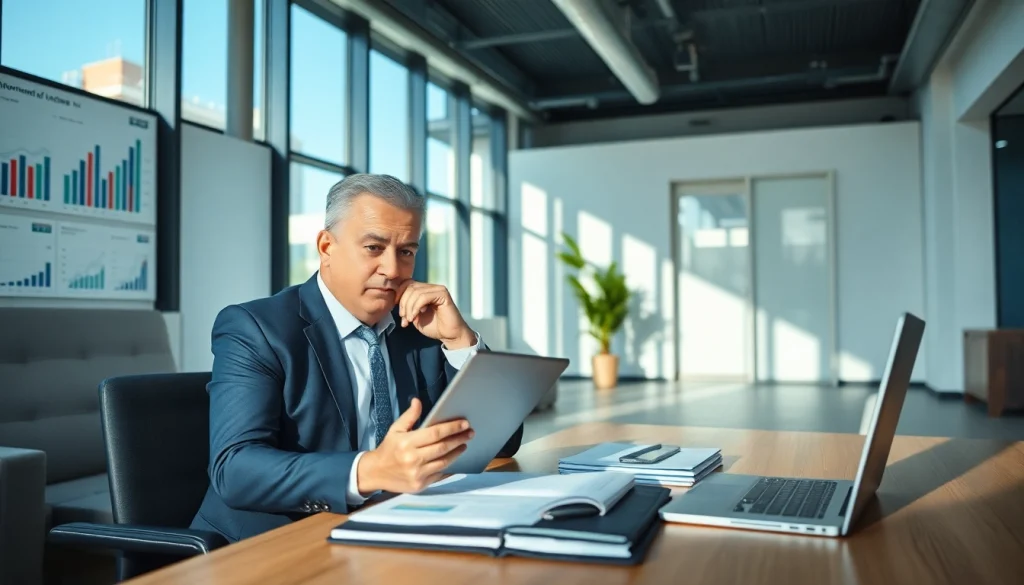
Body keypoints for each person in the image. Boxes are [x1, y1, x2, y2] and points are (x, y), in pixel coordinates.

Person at [190, 174, 523, 542]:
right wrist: (370, 470)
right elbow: (234, 469)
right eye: (374, 248)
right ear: (326, 246)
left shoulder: (419, 325)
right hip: (273, 542)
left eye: (406, 251)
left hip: (393, 525)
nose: (394, 270)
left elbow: (501, 442)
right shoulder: (255, 328)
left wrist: (460, 339)